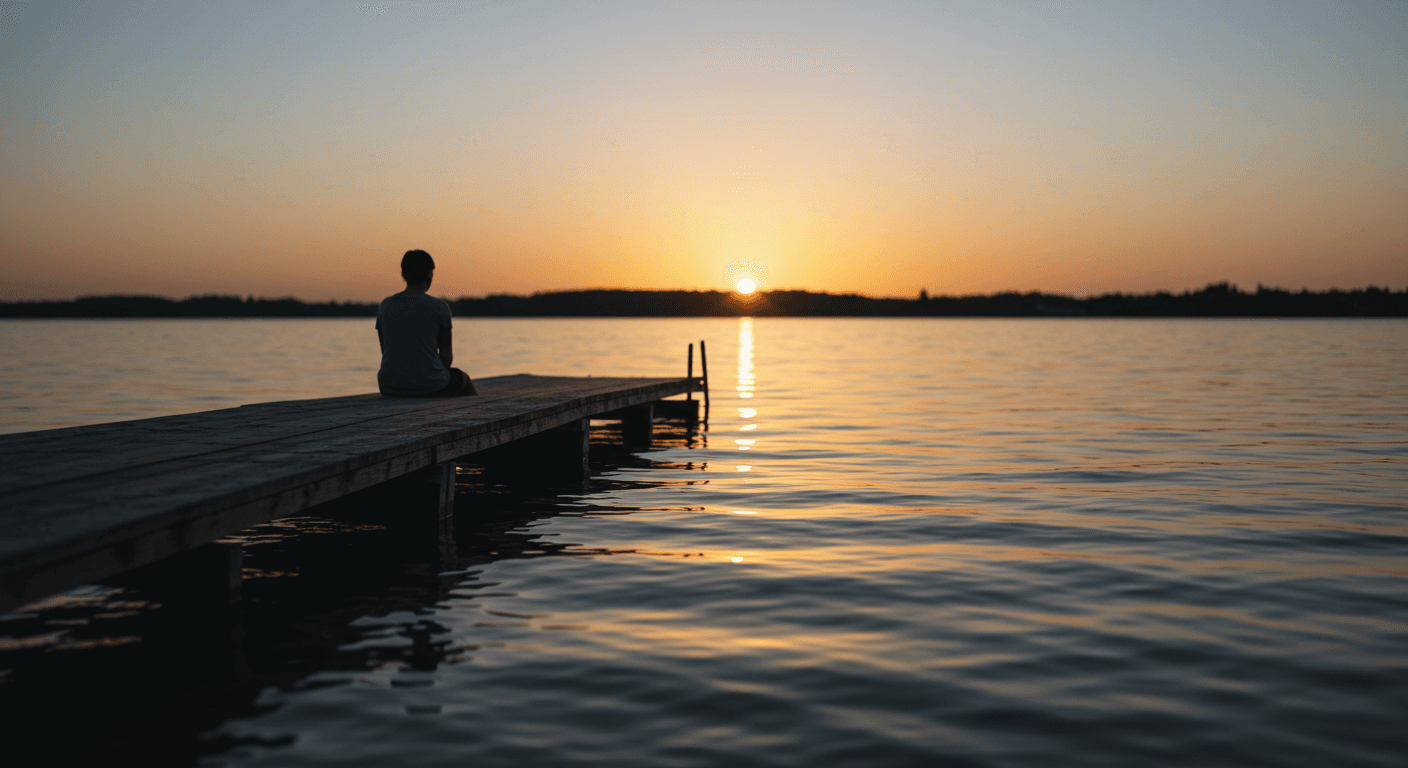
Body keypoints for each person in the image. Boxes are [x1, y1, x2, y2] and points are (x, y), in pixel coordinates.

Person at [376, 249, 478, 397]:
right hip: (431, 386)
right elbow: (446, 359)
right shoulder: (439, 306)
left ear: (403, 275)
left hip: (389, 386)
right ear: (430, 274)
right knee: (463, 380)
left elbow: (386, 351)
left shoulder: (385, 305)